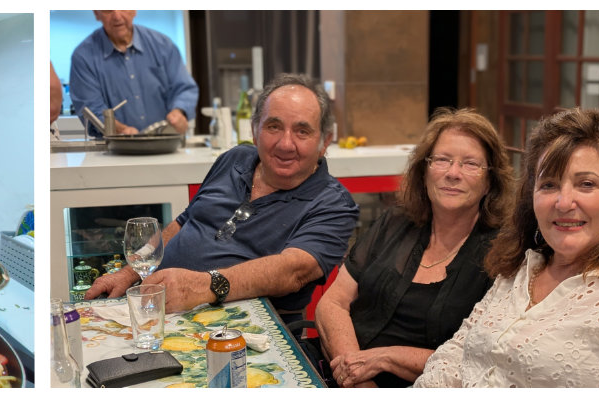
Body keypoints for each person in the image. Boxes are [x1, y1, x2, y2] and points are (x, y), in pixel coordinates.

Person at [413, 108, 599, 387]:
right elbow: (455, 356)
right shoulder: (522, 269)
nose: (563, 203)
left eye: (586, 184)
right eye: (549, 185)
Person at [86, 74, 357, 321]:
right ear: (255, 131)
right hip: (158, 307)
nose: (286, 144)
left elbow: (293, 271)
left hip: (241, 330)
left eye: (302, 131)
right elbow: (184, 222)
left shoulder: (333, 204)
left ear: (324, 141)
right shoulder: (234, 159)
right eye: (274, 127)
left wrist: (204, 286)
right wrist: (131, 272)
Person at [312, 108, 512, 388]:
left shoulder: (502, 254)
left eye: (470, 164)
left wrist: (384, 358)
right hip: (341, 371)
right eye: (442, 160)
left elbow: (479, 361)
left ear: (490, 181)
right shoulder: (396, 221)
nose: (453, 173)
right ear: (424, 170)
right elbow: (333, 302)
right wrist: (355, 374)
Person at [68, 10, 199, 137]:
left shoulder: (163, 45)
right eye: (108, 10)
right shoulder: (83, 57)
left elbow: (184, 88)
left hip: (165, 144)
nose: (117, 16)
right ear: (97, 13)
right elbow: (92, 111)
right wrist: (121, 130)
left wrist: (179, 112)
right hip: (114, 148)